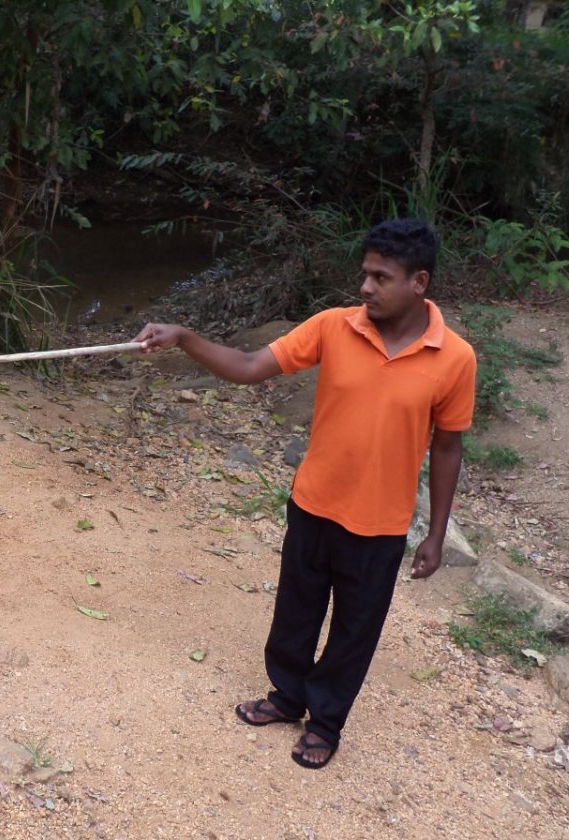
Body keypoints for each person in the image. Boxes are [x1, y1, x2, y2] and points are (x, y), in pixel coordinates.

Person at [133, 218, 476, 769]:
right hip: (314, 502)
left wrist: (435, 534)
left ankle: (326, 722)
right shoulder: (333, 327)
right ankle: (287, 697)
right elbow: (249, 367)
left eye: (381, 277)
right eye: (365, 274)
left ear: (419, 282)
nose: (365, 287)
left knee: (354, 631)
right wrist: (185, 338)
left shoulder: (454, 358)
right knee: (296, 610)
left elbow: (448, 447)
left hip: (382, 523)